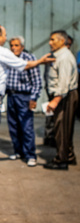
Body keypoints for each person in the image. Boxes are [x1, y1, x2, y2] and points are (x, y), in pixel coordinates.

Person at [0, 24, 54, 174]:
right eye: (5, 36)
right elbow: (23, 65)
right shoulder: (2, 52)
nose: (6, 39)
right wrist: (40, 61)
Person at [44, 30, 78, 170]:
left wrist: (55, 100)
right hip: (64, 95)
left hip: (64, 96)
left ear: (62, 41)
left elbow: (63, 83)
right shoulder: (58, 55)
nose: (50, 42)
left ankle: (61, 160)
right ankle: (69, 156)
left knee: (61, 128)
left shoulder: (64, 57)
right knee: (65, 127)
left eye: (53, 39)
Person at [6, 36, 42, 167]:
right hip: (11, 96)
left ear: (22, 46)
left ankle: (30, 155)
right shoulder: (9, 58)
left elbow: (37, 81)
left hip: (24, 97)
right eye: (12, 45)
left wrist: (34, 98)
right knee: (13, 126)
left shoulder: (29, 58)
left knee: (26, 126)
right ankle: (18, 151)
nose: (14, 48)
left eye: (16, 45)